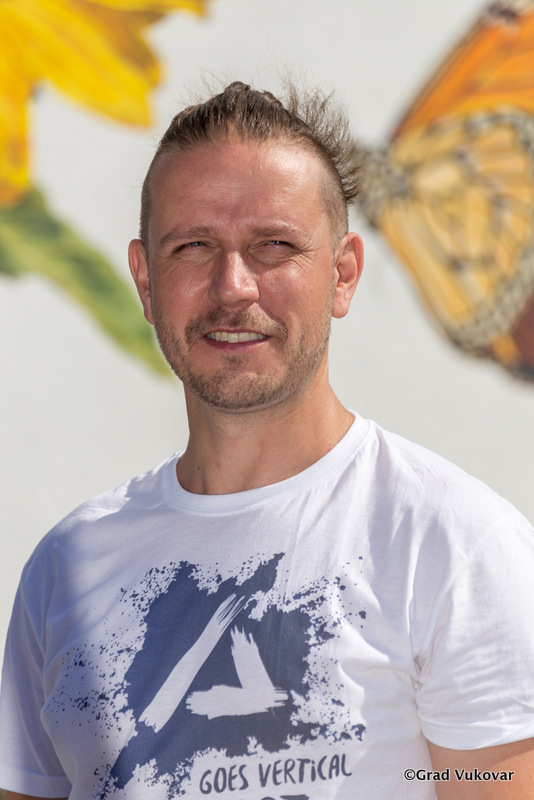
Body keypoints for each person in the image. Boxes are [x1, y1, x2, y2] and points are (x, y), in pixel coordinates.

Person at [1, 81, 533, 800]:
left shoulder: (453, 546)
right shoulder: (64, 570)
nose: (233, 286)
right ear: (145, 280)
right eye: (194, 246)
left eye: (274, 247)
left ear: (342, 274)